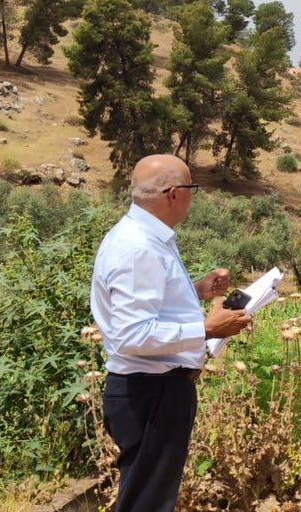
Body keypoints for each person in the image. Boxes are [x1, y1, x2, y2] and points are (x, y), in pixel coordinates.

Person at [90, 154, 251, 512]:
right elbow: (133, 334)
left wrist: (198, 289)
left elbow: (148, 307)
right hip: (150, 392)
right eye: (193, 188)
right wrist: (206, 328)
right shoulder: (138, 248)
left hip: (154, 390)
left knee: (150, 499)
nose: (195, 196)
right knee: (145, 504)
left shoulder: (147, 238)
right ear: (174, 193)